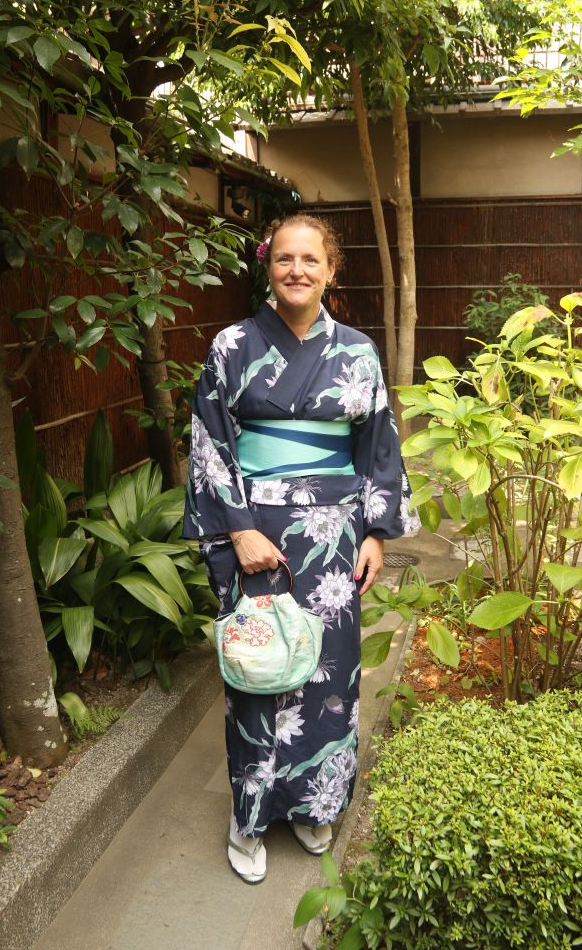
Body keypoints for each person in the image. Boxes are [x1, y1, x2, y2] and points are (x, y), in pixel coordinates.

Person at [183, 213, 418, 883]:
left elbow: (377, 443)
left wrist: (374, 532)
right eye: (284, 258)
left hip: (334, 537)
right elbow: (209, 442)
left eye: (310, 259)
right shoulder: (232, 344)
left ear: (330, 270)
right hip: (256, 534)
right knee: (260, 667)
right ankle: (251, 815)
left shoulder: (358, 351)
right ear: (268, 267)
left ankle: (315, 802)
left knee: (329, 674)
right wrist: (237, 530)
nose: (297, 270)